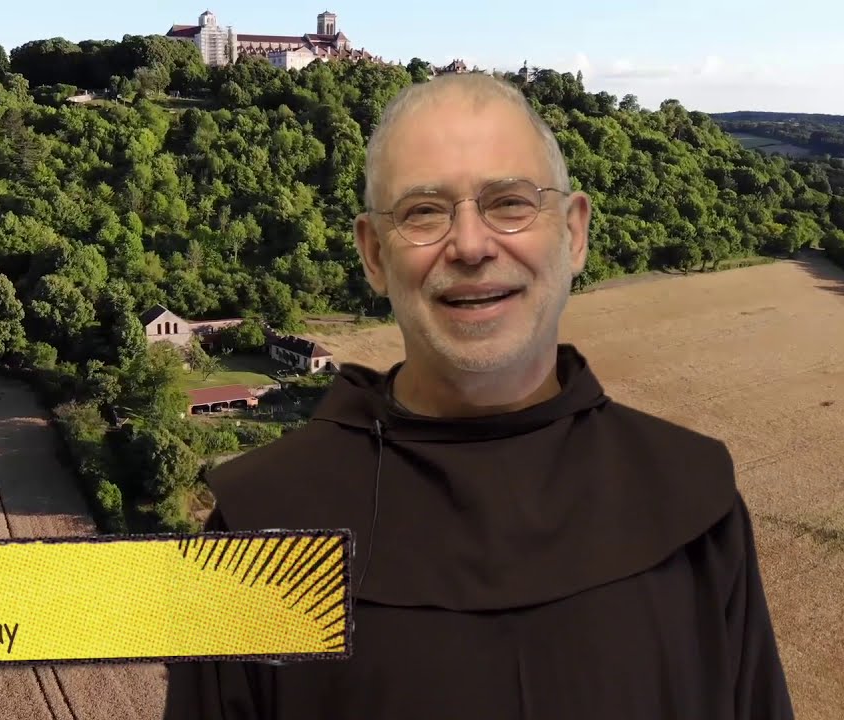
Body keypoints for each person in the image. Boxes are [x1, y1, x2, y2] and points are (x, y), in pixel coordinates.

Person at [161, 73, 795, 719]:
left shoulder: (692, 498)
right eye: (423, 212)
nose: (469, 245)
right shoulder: (261, 524)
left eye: (510, 203)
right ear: (374, 255)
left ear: (574, 233)